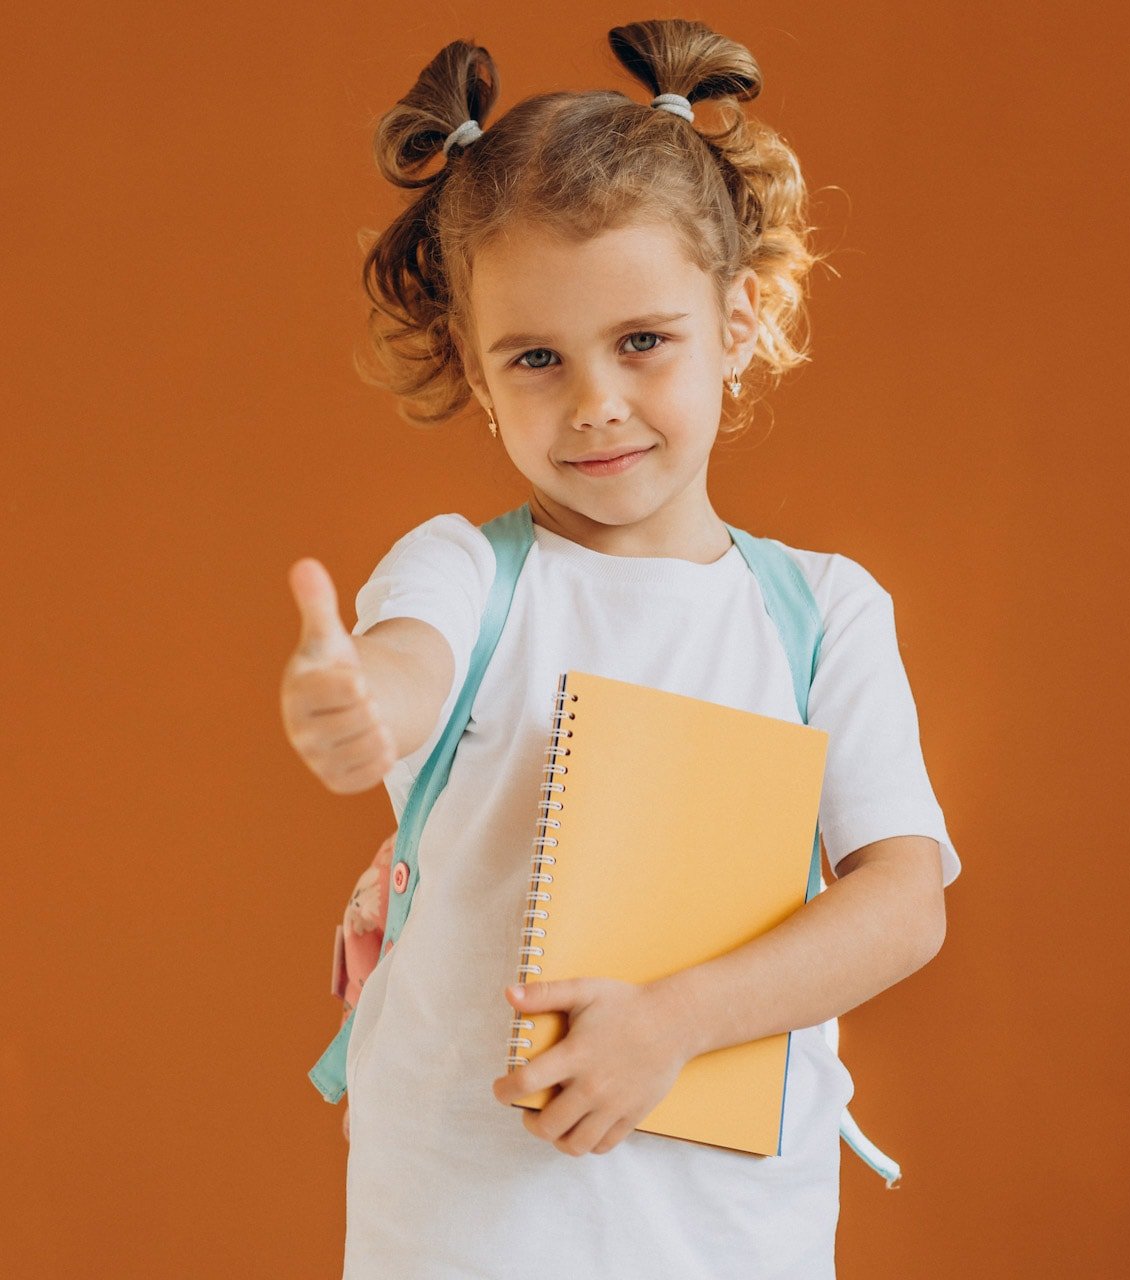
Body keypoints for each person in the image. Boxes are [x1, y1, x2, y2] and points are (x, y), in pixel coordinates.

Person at [279, 18, 961, 1279]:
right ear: (479, 380)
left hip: (730, 1236)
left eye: (640, 341)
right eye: (535, 358)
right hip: (460, 1225)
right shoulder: (462, 572)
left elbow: (901, 900)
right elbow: (404, 666)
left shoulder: (822, 609)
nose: (591, 399)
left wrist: (673, 1022)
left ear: (737, 319)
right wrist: (354, 699)